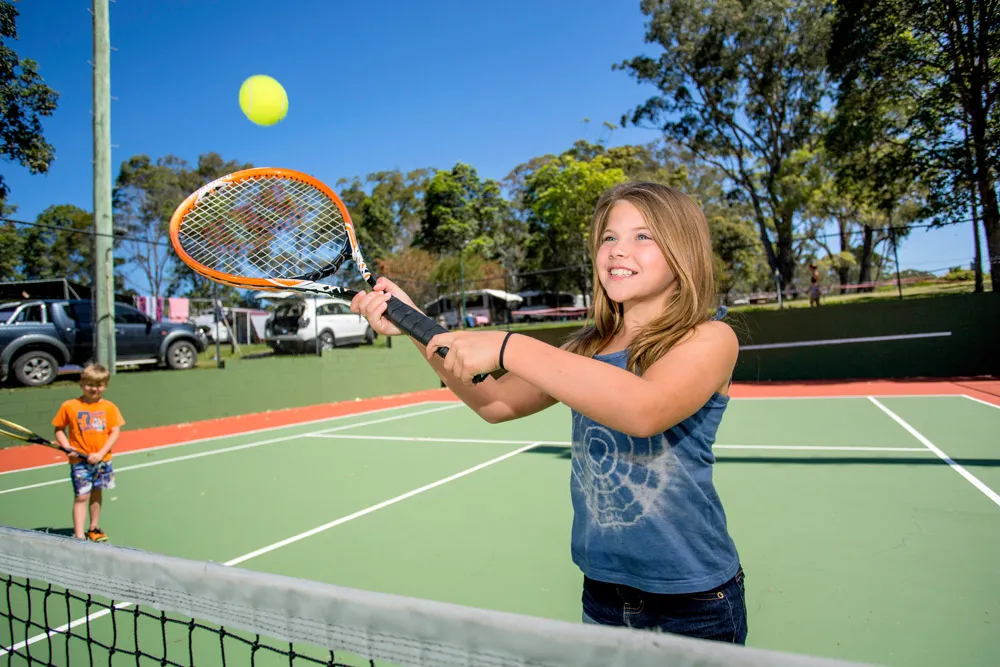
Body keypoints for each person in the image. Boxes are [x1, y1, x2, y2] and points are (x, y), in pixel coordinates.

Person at [352, 181, 747, 643]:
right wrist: (411, 319)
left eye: (643, 236)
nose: (619, 250)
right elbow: (495, 401)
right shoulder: (588, 347)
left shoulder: (709, 338)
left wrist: (511, 346)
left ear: (683, 250)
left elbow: (645, 409)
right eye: (608, 237)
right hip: (603, 592)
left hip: (694, 601)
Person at [52, 363, 125, 542]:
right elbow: (59, 429)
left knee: (97, 492)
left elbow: (115, 432)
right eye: (90, 384)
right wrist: (67, 447)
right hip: (80, 462)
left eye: (99, 385)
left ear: (105, 386)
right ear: (82, 383)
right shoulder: (70, 406)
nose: (94, 389)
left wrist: (100, 454)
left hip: (102, 461)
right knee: (81, 496)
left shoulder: (109, 407)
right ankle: (79, 536)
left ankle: (93, 528)